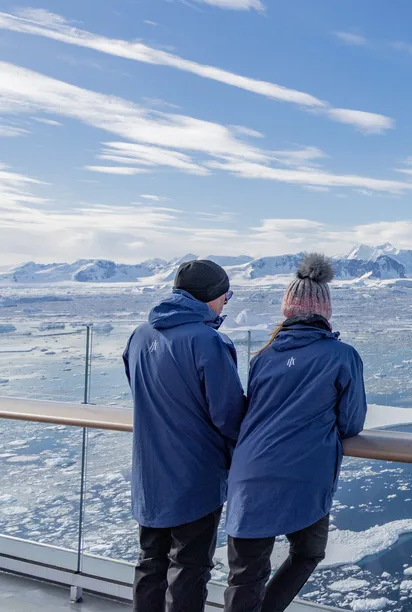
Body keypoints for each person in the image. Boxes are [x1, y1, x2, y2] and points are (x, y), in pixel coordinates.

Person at [224, 253, 367, 612]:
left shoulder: (265, 355)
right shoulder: (340, 355)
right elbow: (351, 423)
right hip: (304, 475)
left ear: (287, 309)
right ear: (325, 311)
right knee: (308, 551)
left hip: (249, 473)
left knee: (244, 575)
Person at [123, 259, 246, 612]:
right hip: (196, 477)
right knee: (189, 569)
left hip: (150, 474)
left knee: (151, 563)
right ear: (210, 296)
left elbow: (142, 393)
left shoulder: (140, 335)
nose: (226, 303)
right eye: (226, 295)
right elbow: (228, 416)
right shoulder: (208, 341)